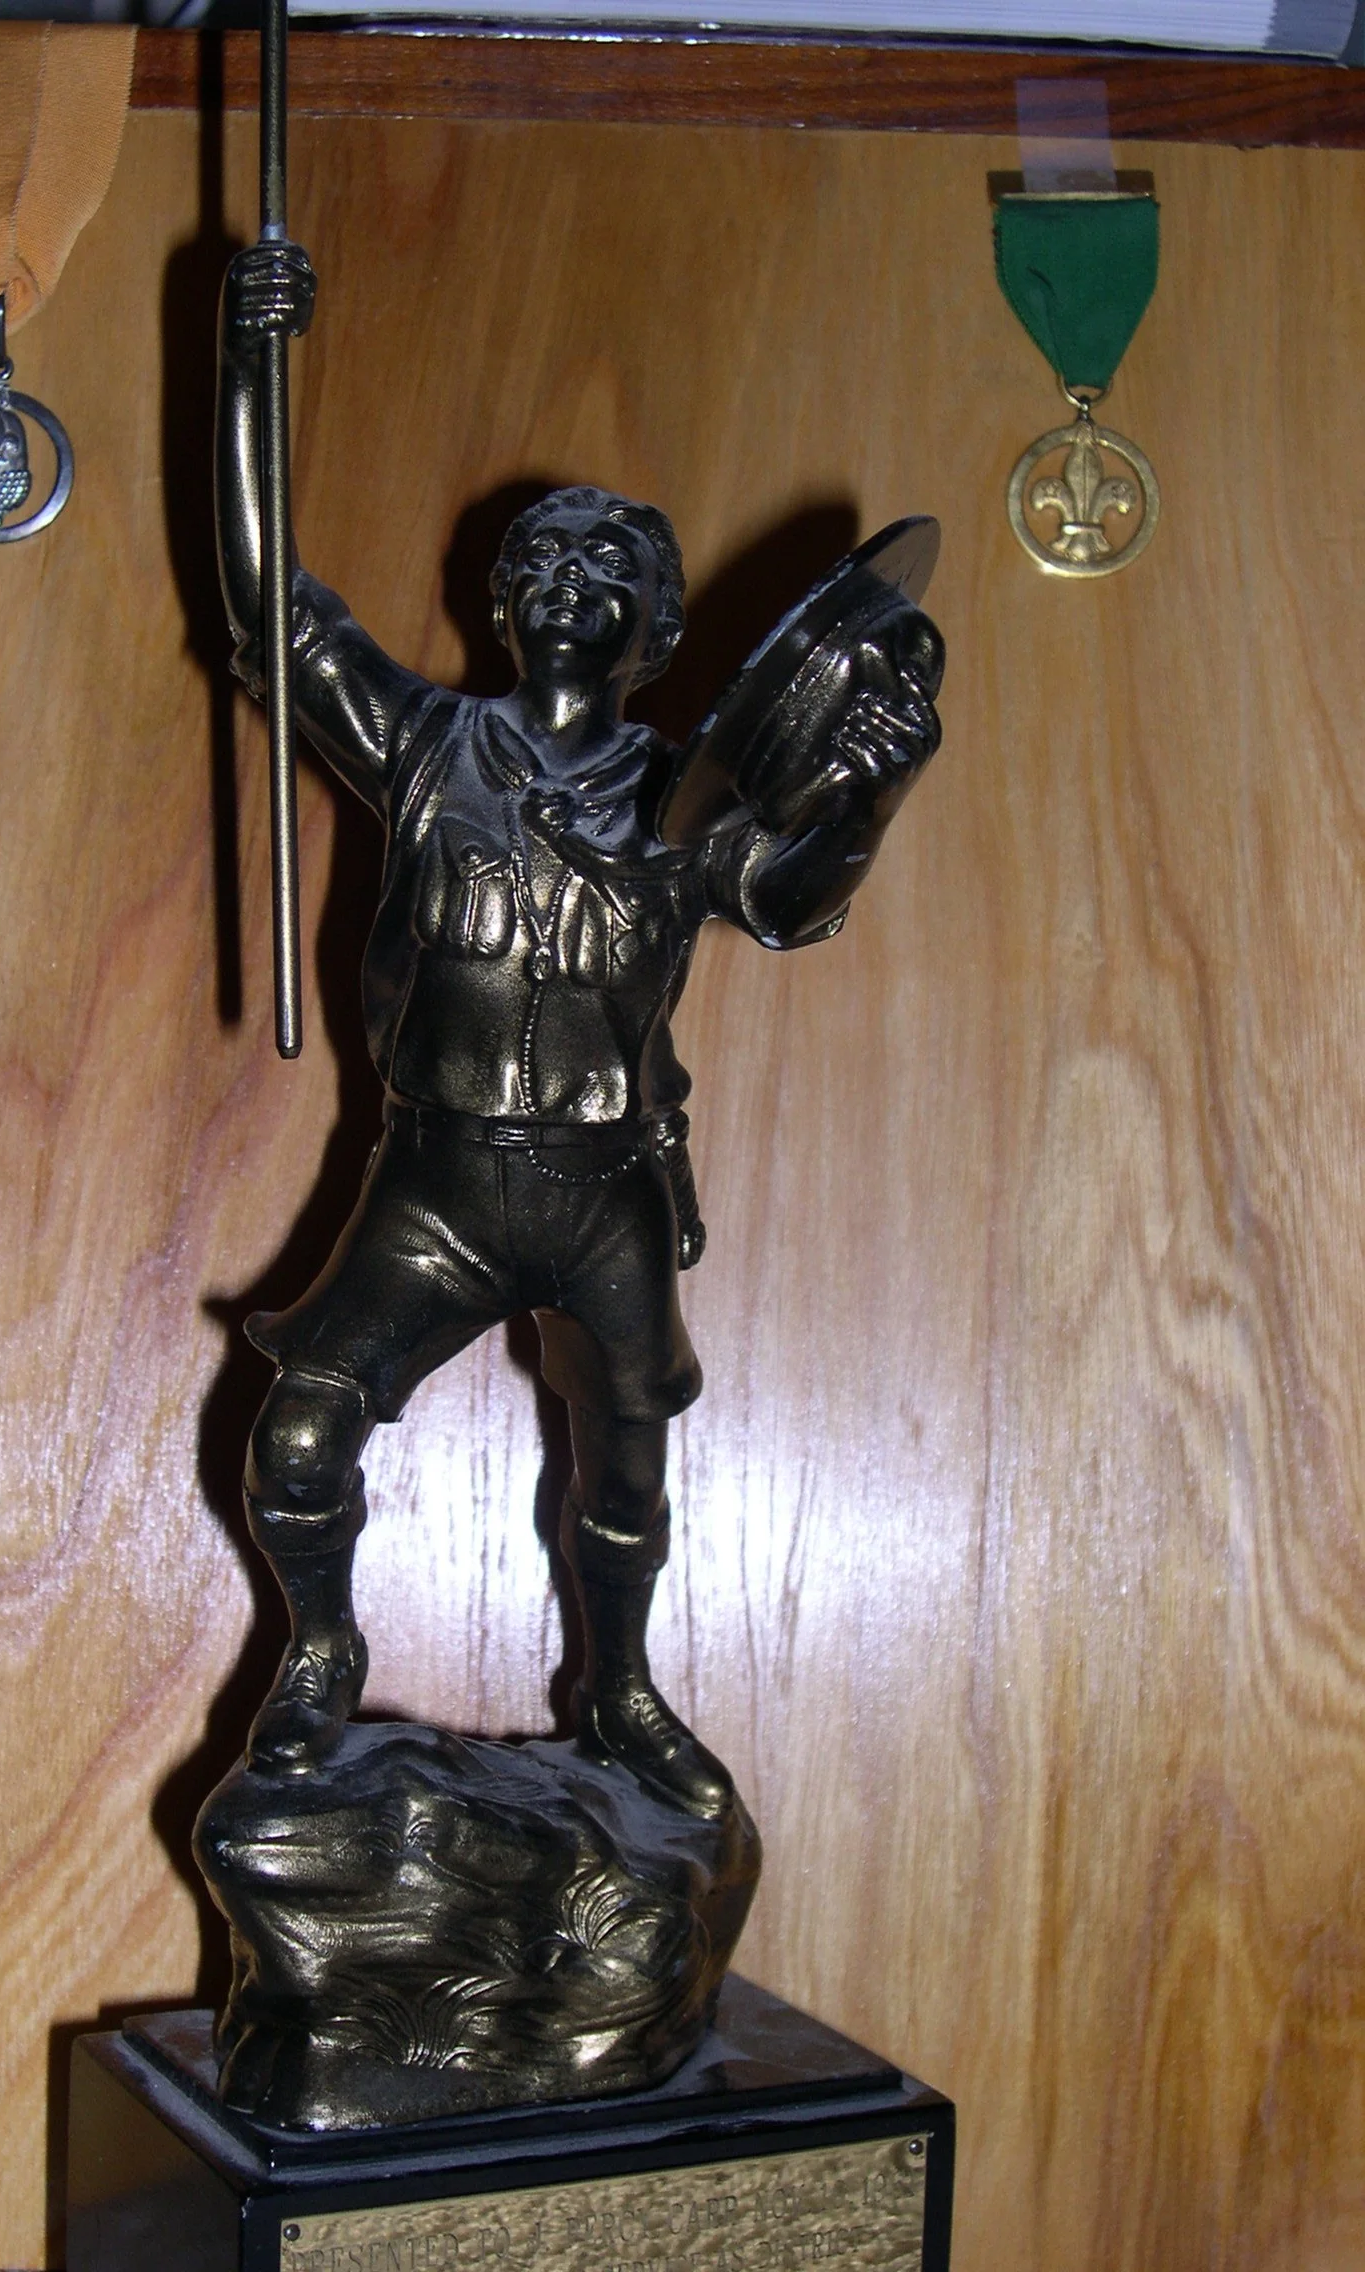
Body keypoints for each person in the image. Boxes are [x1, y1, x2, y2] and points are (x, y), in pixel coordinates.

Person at [216, 240, 943, 1818]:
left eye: (602, 577)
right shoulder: (421, 743)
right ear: (495, 602)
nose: (563, 587)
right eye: (538, 565)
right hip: (440, 1181)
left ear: (657, 634)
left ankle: (618, 1687)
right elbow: (267, 605)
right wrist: (248, 366)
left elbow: (796, 897)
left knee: (626, 1464)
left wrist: (876, 783)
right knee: (297, 1438)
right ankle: (320, 1651)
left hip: (607, 1187)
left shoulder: (687, 798)